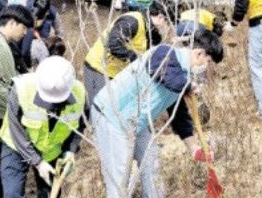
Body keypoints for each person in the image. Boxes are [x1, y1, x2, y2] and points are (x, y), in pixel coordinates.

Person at [91, 29, 223, 198]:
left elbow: (179, 115)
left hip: (135, 123)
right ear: (199, 53)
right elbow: (165, 74)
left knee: (151, 161)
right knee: (119, 179)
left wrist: (194, 148)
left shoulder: (182, 76)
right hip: (111, 117)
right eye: (208, 61)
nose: (206, 67)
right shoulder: (164, 53)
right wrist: (189, 87)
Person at [0, 56, 86, 198]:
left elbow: (80, 125)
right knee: (12, 193)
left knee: (51, 193)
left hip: (51, 149)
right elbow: (17, 131)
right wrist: (37, 162)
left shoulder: (80, 93)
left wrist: (71, 150)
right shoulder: (20, 89)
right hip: (16, 145)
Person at [0, 5, 34, 198]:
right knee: (1, 160)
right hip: (0, 112)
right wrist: (12, 101)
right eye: (24, 28)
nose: (25, 33)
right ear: (11, 23)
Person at [84, 0, 169, 102]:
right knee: (97, 107)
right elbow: (114, 44)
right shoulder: (132, 21)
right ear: (160, 17)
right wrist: (137, 58)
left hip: (115, 72)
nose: (167, 27)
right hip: (98, 69)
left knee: (112, 106)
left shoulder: (150, 29)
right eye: (167, 22)